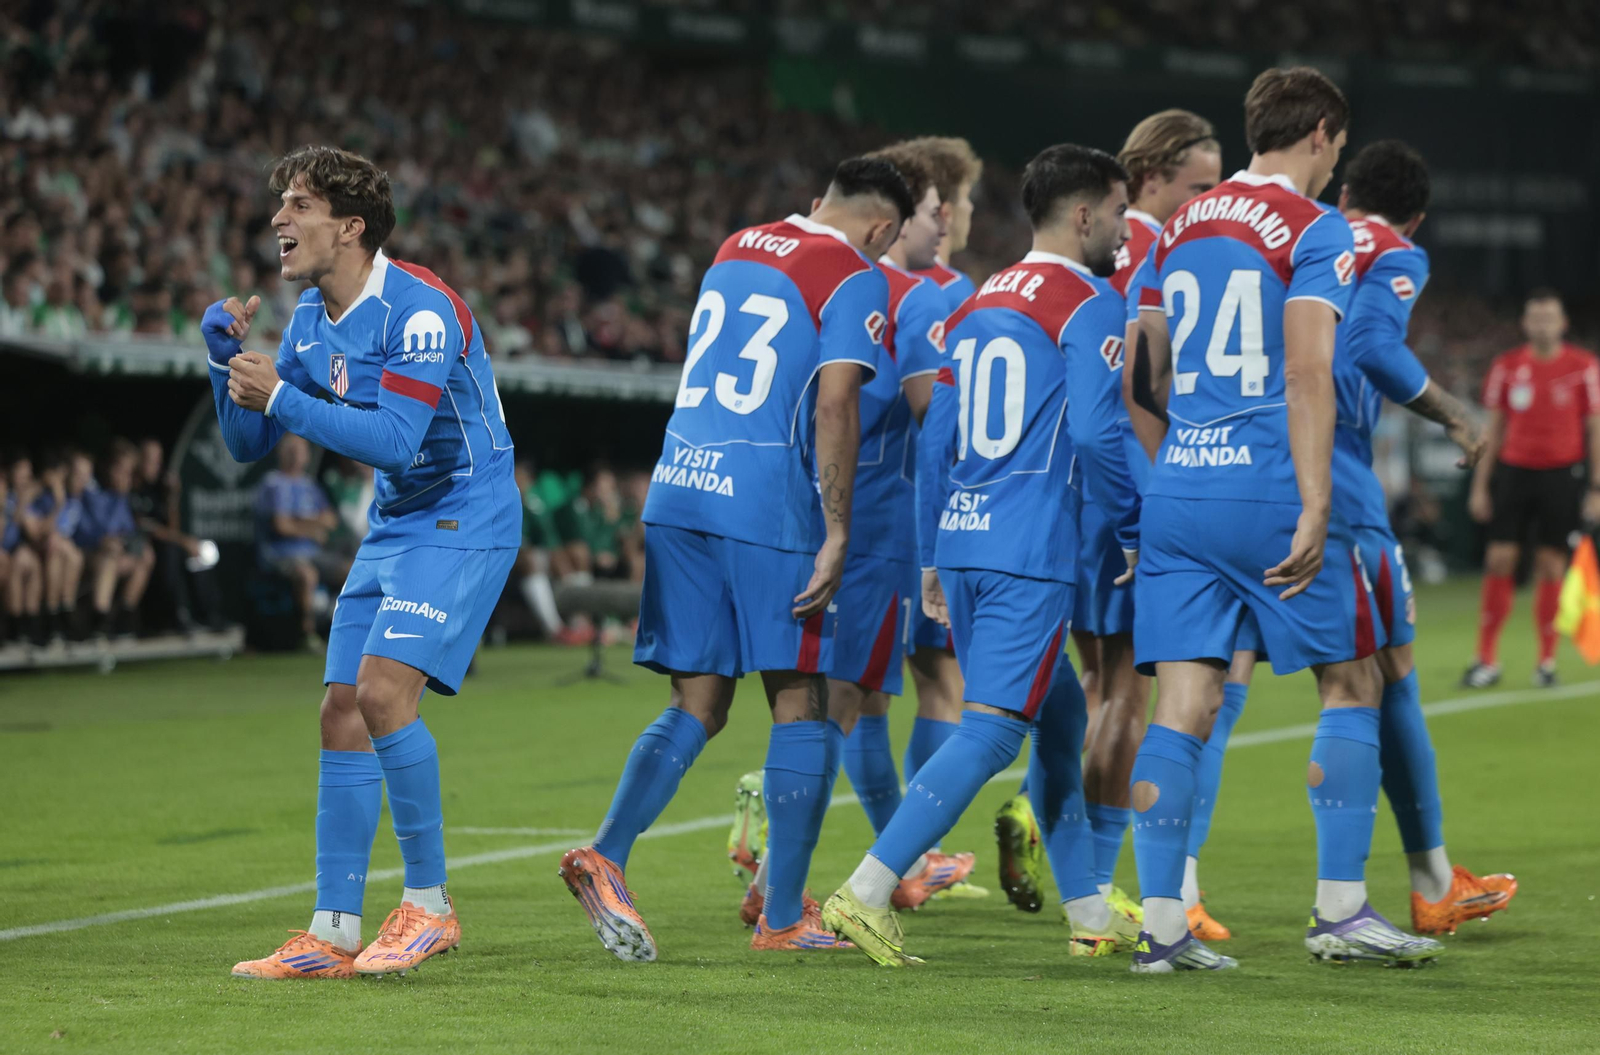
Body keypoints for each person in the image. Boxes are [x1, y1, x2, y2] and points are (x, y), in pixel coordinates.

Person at [556, 156, 911, 960]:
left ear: (815, 200)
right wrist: (838, 528)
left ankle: (607, 854)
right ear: (883, 228)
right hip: (764, 501)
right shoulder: (856, 274)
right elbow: (835, 402)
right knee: (802, 697)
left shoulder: (735, 245)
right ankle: (782, 916)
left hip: (680, 486)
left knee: (700, 700)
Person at [1128, 67, 1442, 972]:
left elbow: (1141, 377)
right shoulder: (1316, 228)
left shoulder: (1178, 225)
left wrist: (1175, 469)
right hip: (1268, 483)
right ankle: (1340, 910)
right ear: (1320, 133)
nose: (1336, 158)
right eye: (1336, 143)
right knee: (1353, 681)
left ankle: (1161, 927)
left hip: (1180, 488)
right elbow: (1308, 371)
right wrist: (1314, 502)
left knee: (1183, 702)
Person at [203, 144, 520, 980]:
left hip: (466, 513)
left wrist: (280, 394)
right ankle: (333, 928)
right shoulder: (311, 319)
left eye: (299, 205)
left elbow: (395, 440)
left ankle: (430, 906)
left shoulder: (420, 310)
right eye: (282, 202)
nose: (279, 218)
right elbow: (249, 442)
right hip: (398, 522)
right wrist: (222, 362)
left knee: (382, 693)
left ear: (350, 227)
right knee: (340, 707)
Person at [822, 143, 1136, 965]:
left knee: (1061, 717)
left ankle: (1089, 907)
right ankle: (868, 888)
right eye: (1118, 211)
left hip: (962, 538)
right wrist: (1135, 526)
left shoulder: (979, 298)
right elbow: (1098, 430)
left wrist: (931, 552)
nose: (1126, 228)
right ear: (1082, 215)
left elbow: (938, 438)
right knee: (994, 732)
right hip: (1028, 543)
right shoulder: (1089, 302)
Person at [727, 143, 979, 928]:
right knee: (840, 705)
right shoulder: (914, 298)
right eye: (932, 211)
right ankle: (781, 879)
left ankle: (850, 861)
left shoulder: (811, 272)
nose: (943, 225)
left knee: (853, 699)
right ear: (893, 221)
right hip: (875, 527)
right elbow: (933, 417)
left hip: (806, 510)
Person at [995, 108, 1225, 930]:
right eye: (1198, 185)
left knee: (1095, 684)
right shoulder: (1157, 252)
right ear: (1153, 177)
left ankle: (1040, 813)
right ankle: (1095, 889)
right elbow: (1140, 389)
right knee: (1134, 688)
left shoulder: (1079, 263)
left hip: (1070, 495)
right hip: (1128, 487)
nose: (1209, 199)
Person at [1464, 290, 1600, 688]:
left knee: (1552, 565)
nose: (1542, 325)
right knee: (1499, 559)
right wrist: (1480, 486)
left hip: (1562, 474)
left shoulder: (1584, 367)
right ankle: (1485, 659)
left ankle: (1546, 662)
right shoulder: (1506, 367)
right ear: (1525, 324)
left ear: (1563, 323)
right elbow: (1493, 429)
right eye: (1536, 318)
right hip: (1514, 473)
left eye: (1549, 318)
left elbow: (1595, 430)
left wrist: (1596, 487)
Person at [901, 137, 983, 784]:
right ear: (949, 213)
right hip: (926, 513)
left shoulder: (870, 281)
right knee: (946, 685)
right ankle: (921, 837)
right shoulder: (952, 293)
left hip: (866, 507)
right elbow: (943, 418)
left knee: (862, 697)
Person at [255, 435, 345, 649]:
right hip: (280, 554)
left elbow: (331, 520)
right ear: (281, 454)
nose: (296, 456)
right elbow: (281, 526)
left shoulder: (309, 485)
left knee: (352, 571)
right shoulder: (273, 483)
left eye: (300, 451)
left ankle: (344, 628)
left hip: (313, 553)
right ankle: (308, 633)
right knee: (307, 574)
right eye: (291, 450)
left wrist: (299, 520)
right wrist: (313, 528)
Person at [130, 438, 224, 632]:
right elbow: (147, 528)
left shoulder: (157, 490)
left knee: (200, 554)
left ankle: (209, 615)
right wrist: (183, 541)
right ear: (139, 460)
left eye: (158, 461)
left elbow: (172, 527)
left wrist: (173, 496)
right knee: (172, 551)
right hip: (141, 546)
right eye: (150, 460)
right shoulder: (131, 489)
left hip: (167, 544)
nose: (155, 466)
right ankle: (178, 616)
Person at [77, 440, 155, 639]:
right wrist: (104, 539)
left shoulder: (120, 497)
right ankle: (99, 623)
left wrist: (126, 543)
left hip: (111, 554)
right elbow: (89, 530)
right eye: (120, 470)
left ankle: (124, 618)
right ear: (107, 467)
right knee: (110, 556)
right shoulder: (90, 491)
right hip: (85, 552)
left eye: (128, 473)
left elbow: (127, 531)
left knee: (146, 555)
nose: (124, 477)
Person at [24, 449, 84, 643]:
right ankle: (57, 616)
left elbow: (62, 531)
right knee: (61, 552)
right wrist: (58, 504)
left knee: (66, 554)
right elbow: (37, 532)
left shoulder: (71, 497)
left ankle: (59, 614)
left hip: (56, 549)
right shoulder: (36, 496)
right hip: (35, 548)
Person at [3, 454, 43, 644]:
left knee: (30, 561)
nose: (26, 479)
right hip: (4, 551)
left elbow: (33, 532)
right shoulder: (7, 496)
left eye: (28, 475)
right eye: (21, 474)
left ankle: (30, 623)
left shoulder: (25, 499)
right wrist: (23, 501)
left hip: (16, 551)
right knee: (13, 563)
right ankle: (15, 624)